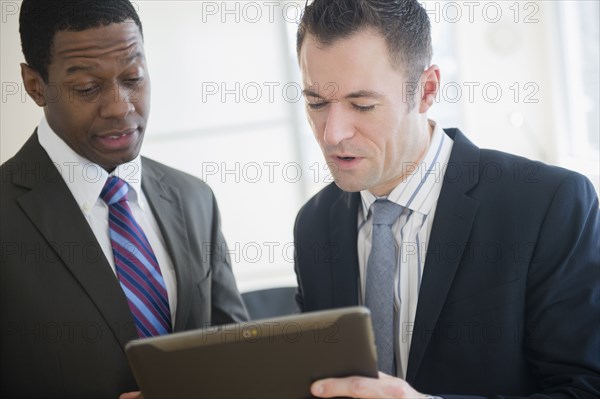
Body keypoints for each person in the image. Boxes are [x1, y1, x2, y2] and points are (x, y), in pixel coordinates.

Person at [293, 0, 600, 398]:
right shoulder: (313, 224)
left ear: (426, 90)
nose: (332, 133)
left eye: (362, 105)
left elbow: (586, 389)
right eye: (316, 103)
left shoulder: (550, 205)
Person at [0, 1, 247, 398]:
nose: (120, 106)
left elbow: (238, 357)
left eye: (133, 78)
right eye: (88, 88)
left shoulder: (194, 199)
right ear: (34, 86)